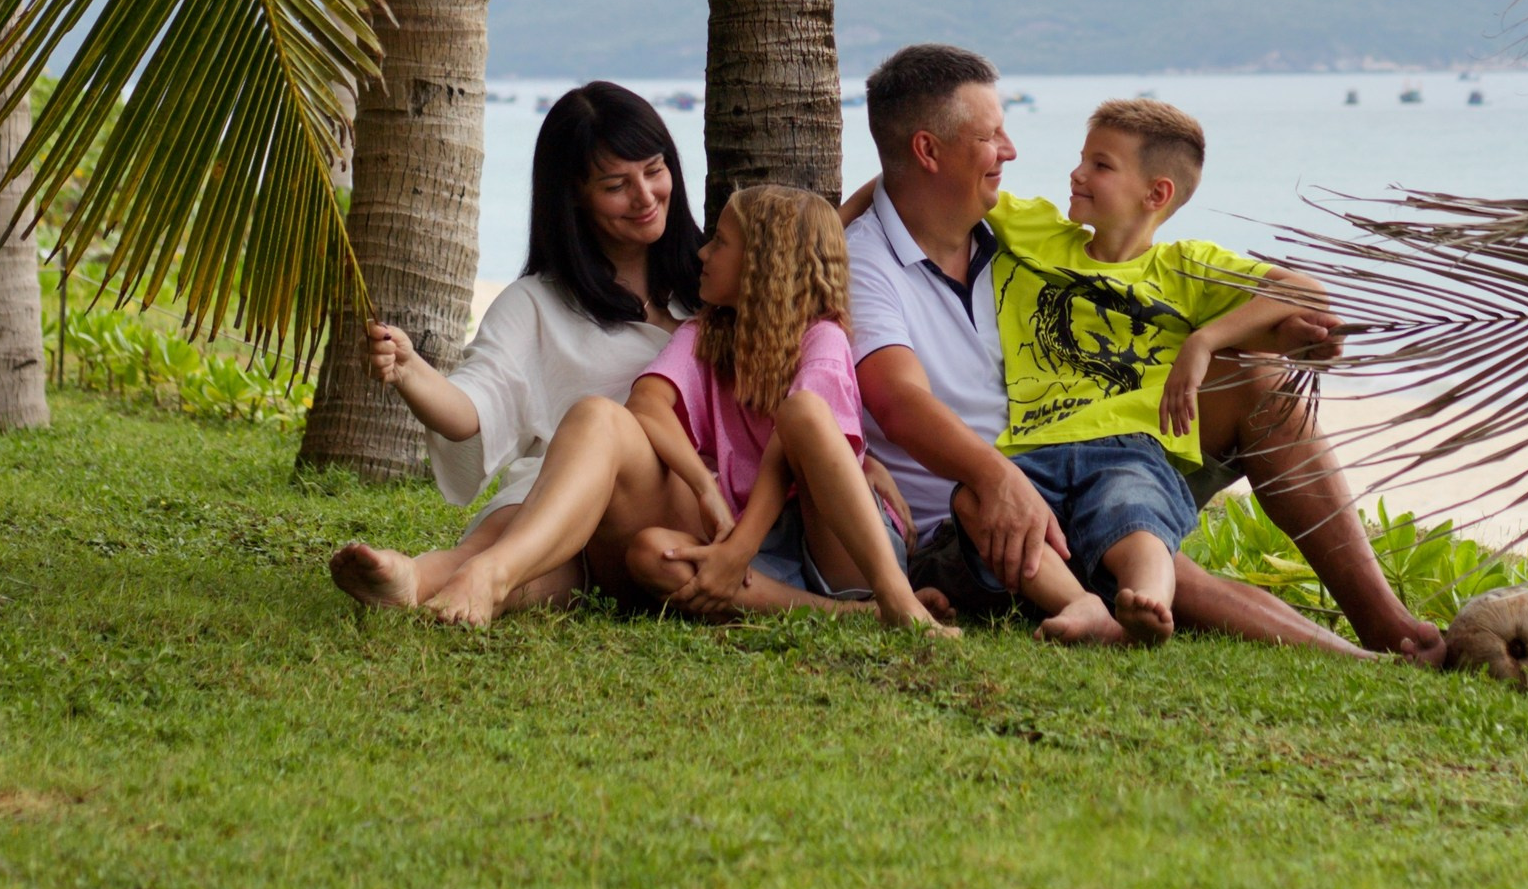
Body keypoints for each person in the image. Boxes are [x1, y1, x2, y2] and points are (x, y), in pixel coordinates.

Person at [844, 42, 1444, 663]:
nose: (1013, 152)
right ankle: (1372, 658)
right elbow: (899, 400)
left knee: (1260, 384)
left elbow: (1277, 304)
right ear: (927, 151)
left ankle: (1386, 625)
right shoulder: (871, 260)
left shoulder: (1000, 226)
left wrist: (1246, 336)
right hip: (980, 502)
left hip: (1107, 450)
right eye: (990, 137)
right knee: (1160, 566)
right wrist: (995, 477)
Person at [329, 79, 703, 618]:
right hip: (575, 537)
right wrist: (410, 370)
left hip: (679, 520)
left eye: (654, 169)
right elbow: (473, 408)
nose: (645, 197)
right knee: (529, 524)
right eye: (616, 184)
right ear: (573, 193)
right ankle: (420, 579)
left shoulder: (713, 279)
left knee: (599, 423)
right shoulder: (537, 303)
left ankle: (484, 571)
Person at [983, 101, 1312, 646]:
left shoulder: (1183, 268)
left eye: (1101, 166)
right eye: (1082, 159)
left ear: (1156, 194)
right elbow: (918, 184)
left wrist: (1204, 341)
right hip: (1029, 446)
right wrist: (833, 223)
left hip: (1129, 446)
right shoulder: (1033, 229)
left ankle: (1150, 602)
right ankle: (1084, 606)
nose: (1077, 174)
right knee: (985, 504)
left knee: (1134, 511)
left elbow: (1304, 290)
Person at [620, 180, 951, 634]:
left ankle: (895, 595)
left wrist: (738, 551)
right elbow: (646, 403)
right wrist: (706, 488)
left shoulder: (823, 337)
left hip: (840, 544)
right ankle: (857, 615)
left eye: (719, 243)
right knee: (649, 552)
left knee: (801, 414)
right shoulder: (704, 337)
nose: (702, 254)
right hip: (764, 546)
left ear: (762, 263)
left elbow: (790, 446)